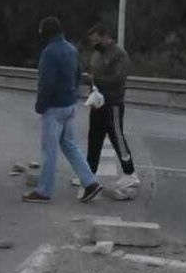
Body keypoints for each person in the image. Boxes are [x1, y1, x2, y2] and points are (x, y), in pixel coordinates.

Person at [25, 17, 103, 203]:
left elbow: (46, 83)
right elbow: (78, 75)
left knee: (49, 150)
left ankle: (43, 191)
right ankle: (90, 182)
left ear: (46, 32)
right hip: (69, 104)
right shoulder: (71, 49)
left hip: (54, 107)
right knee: (69, 145)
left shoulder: (49, 53)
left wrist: (40, 105)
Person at [84, 23, 138, 188]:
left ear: (105, 37)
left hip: (113, 102)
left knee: (117, 137)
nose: (94, 45)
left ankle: (130, 173)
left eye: (96, 40)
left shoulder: (118, 54)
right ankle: (89, 174)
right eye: (92, 42)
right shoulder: (97, 54)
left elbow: (119, 78)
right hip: (98, 102)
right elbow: (93, 71)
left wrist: (97, 79)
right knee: (94, 138)